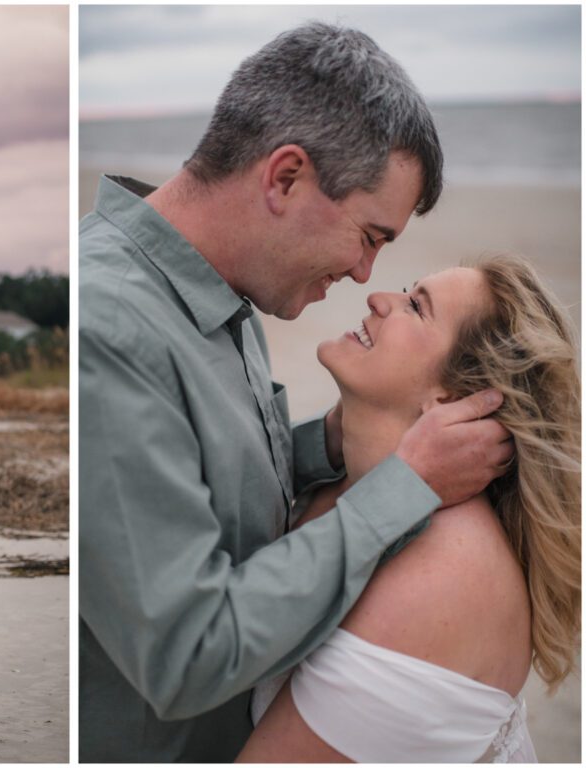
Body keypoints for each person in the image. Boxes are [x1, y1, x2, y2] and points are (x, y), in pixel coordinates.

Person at [79, 23, 514, 762]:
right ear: (285, 178)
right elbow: (187, 655)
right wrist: (401, 491)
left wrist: (327, 445)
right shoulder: (110, 326)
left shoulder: (217, 290)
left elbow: (211, 475)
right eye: (370, 236)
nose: (365, 276)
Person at [238, 255, 580, 762]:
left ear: (454, 398)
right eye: (407, 291)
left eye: (416, 307)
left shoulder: (445, 577)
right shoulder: (336, 487)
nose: (378, 298)